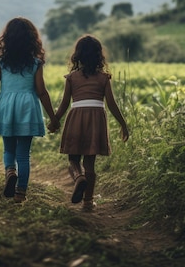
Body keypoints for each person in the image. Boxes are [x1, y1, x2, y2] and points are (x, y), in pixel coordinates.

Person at [0, 17, 59, 203]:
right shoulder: (35, 63)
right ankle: (20, 194)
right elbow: (42, 92)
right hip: (27, 107)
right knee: (24, 154)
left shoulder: (1, 61)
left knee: (8, 149)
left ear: (7, 39)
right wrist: (53, 117)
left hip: (7, 106)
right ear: (32, 39)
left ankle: (10, 171)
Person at [49, 35, 129, 210]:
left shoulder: (71, 78)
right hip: (96, 118)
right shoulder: (104, 78)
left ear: (78, 56)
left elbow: (64, 104)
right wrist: (123, 124)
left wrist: (54, 121)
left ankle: (78, 178)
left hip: (76, 116)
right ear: (99, 56)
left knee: (73, 159)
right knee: (90, 163)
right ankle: (88, 203)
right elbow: (111, 104)